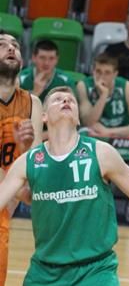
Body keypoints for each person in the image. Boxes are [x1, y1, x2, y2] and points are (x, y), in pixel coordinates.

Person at [0, 87, 129, 284]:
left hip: (95, 269)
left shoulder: (101, 153)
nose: (65, 101)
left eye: (71, 100)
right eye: (57, 99)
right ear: (43, 116)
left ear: (78, 119)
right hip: (44, 271)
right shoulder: (28, 161)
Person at [77, 53, 129, 224]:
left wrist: (110, 132)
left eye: (107, 72)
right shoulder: (83, 86)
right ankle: (88, 204)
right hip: (96, 137)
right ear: (93, 71)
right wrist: (103, 96)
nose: (102, 76)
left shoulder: (126, 87)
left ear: (115, 74)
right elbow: (88, 121)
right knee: (82, 137)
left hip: (116, 135)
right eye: (98, 71)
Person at [0, 33, 43, 284]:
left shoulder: (32, 103)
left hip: (7, 200)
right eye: (2, 45)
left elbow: (33, 168)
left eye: (15, 45)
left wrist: (23, 146)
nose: (10, 48)